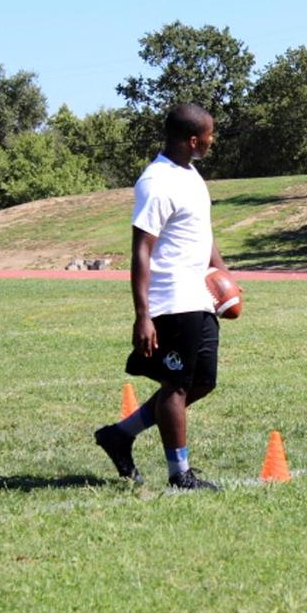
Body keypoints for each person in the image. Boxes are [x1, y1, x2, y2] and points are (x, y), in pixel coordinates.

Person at [94, 104, 227, 491]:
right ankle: (179, 474)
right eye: (209, 135)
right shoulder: (157, 181)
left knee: (202, 381)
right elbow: (141, 249)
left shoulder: (191, 174)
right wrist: (143, 314)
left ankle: (120, 434)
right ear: (193, 140)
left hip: (198, 297)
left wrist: (222, 275)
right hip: (172, 300)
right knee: (176, 386)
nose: (212, 141)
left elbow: (201, 231)